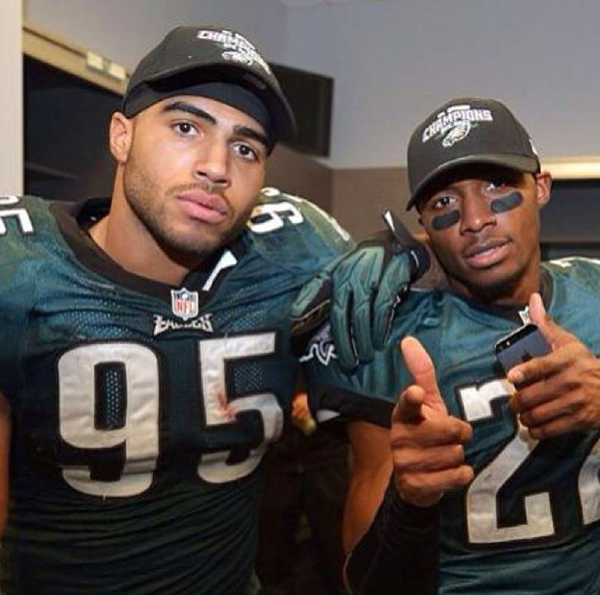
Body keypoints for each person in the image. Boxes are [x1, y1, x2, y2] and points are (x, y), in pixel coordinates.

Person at [0, 25, 424, 595]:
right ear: (122, 135)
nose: (217, 166)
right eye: (186, 127)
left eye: (245, 147)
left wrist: (413, 259)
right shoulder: (22, 268)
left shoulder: (299, 251)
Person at [304, 97, 600, 594]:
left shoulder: (594, 293)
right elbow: (367, 583)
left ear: (542, 186)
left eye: (497, 185)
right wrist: (409, 502)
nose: (475, 219)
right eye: (444, 203)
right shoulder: (393, 338)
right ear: (424, 225)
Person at [256, 388, 349, 595]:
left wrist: (318, 400)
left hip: (327, 453)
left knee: (338, 556)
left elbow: (354, 386)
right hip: (272, 459)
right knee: (272, 562)